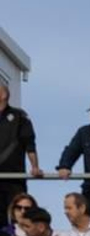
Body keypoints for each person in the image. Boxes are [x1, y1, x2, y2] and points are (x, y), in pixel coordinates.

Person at [0, 84, 40, 213]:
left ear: (3, 95)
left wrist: (35, 167)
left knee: (16, 218)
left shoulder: (19, 117)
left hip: (13, 179)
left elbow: (30, 144)